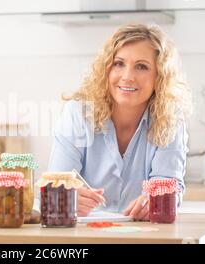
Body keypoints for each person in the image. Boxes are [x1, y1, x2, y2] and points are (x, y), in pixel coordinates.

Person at [47, 24, 192, 221]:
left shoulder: (169, 118)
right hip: (84, 234)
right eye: (118, 63)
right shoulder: (79, 113)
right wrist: (64, 197)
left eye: (141, 66)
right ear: (106, 69)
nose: (127, 77)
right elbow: (56, 183)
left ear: (160, 76)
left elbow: (167, 183)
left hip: (144, 234)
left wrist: (156, 200)